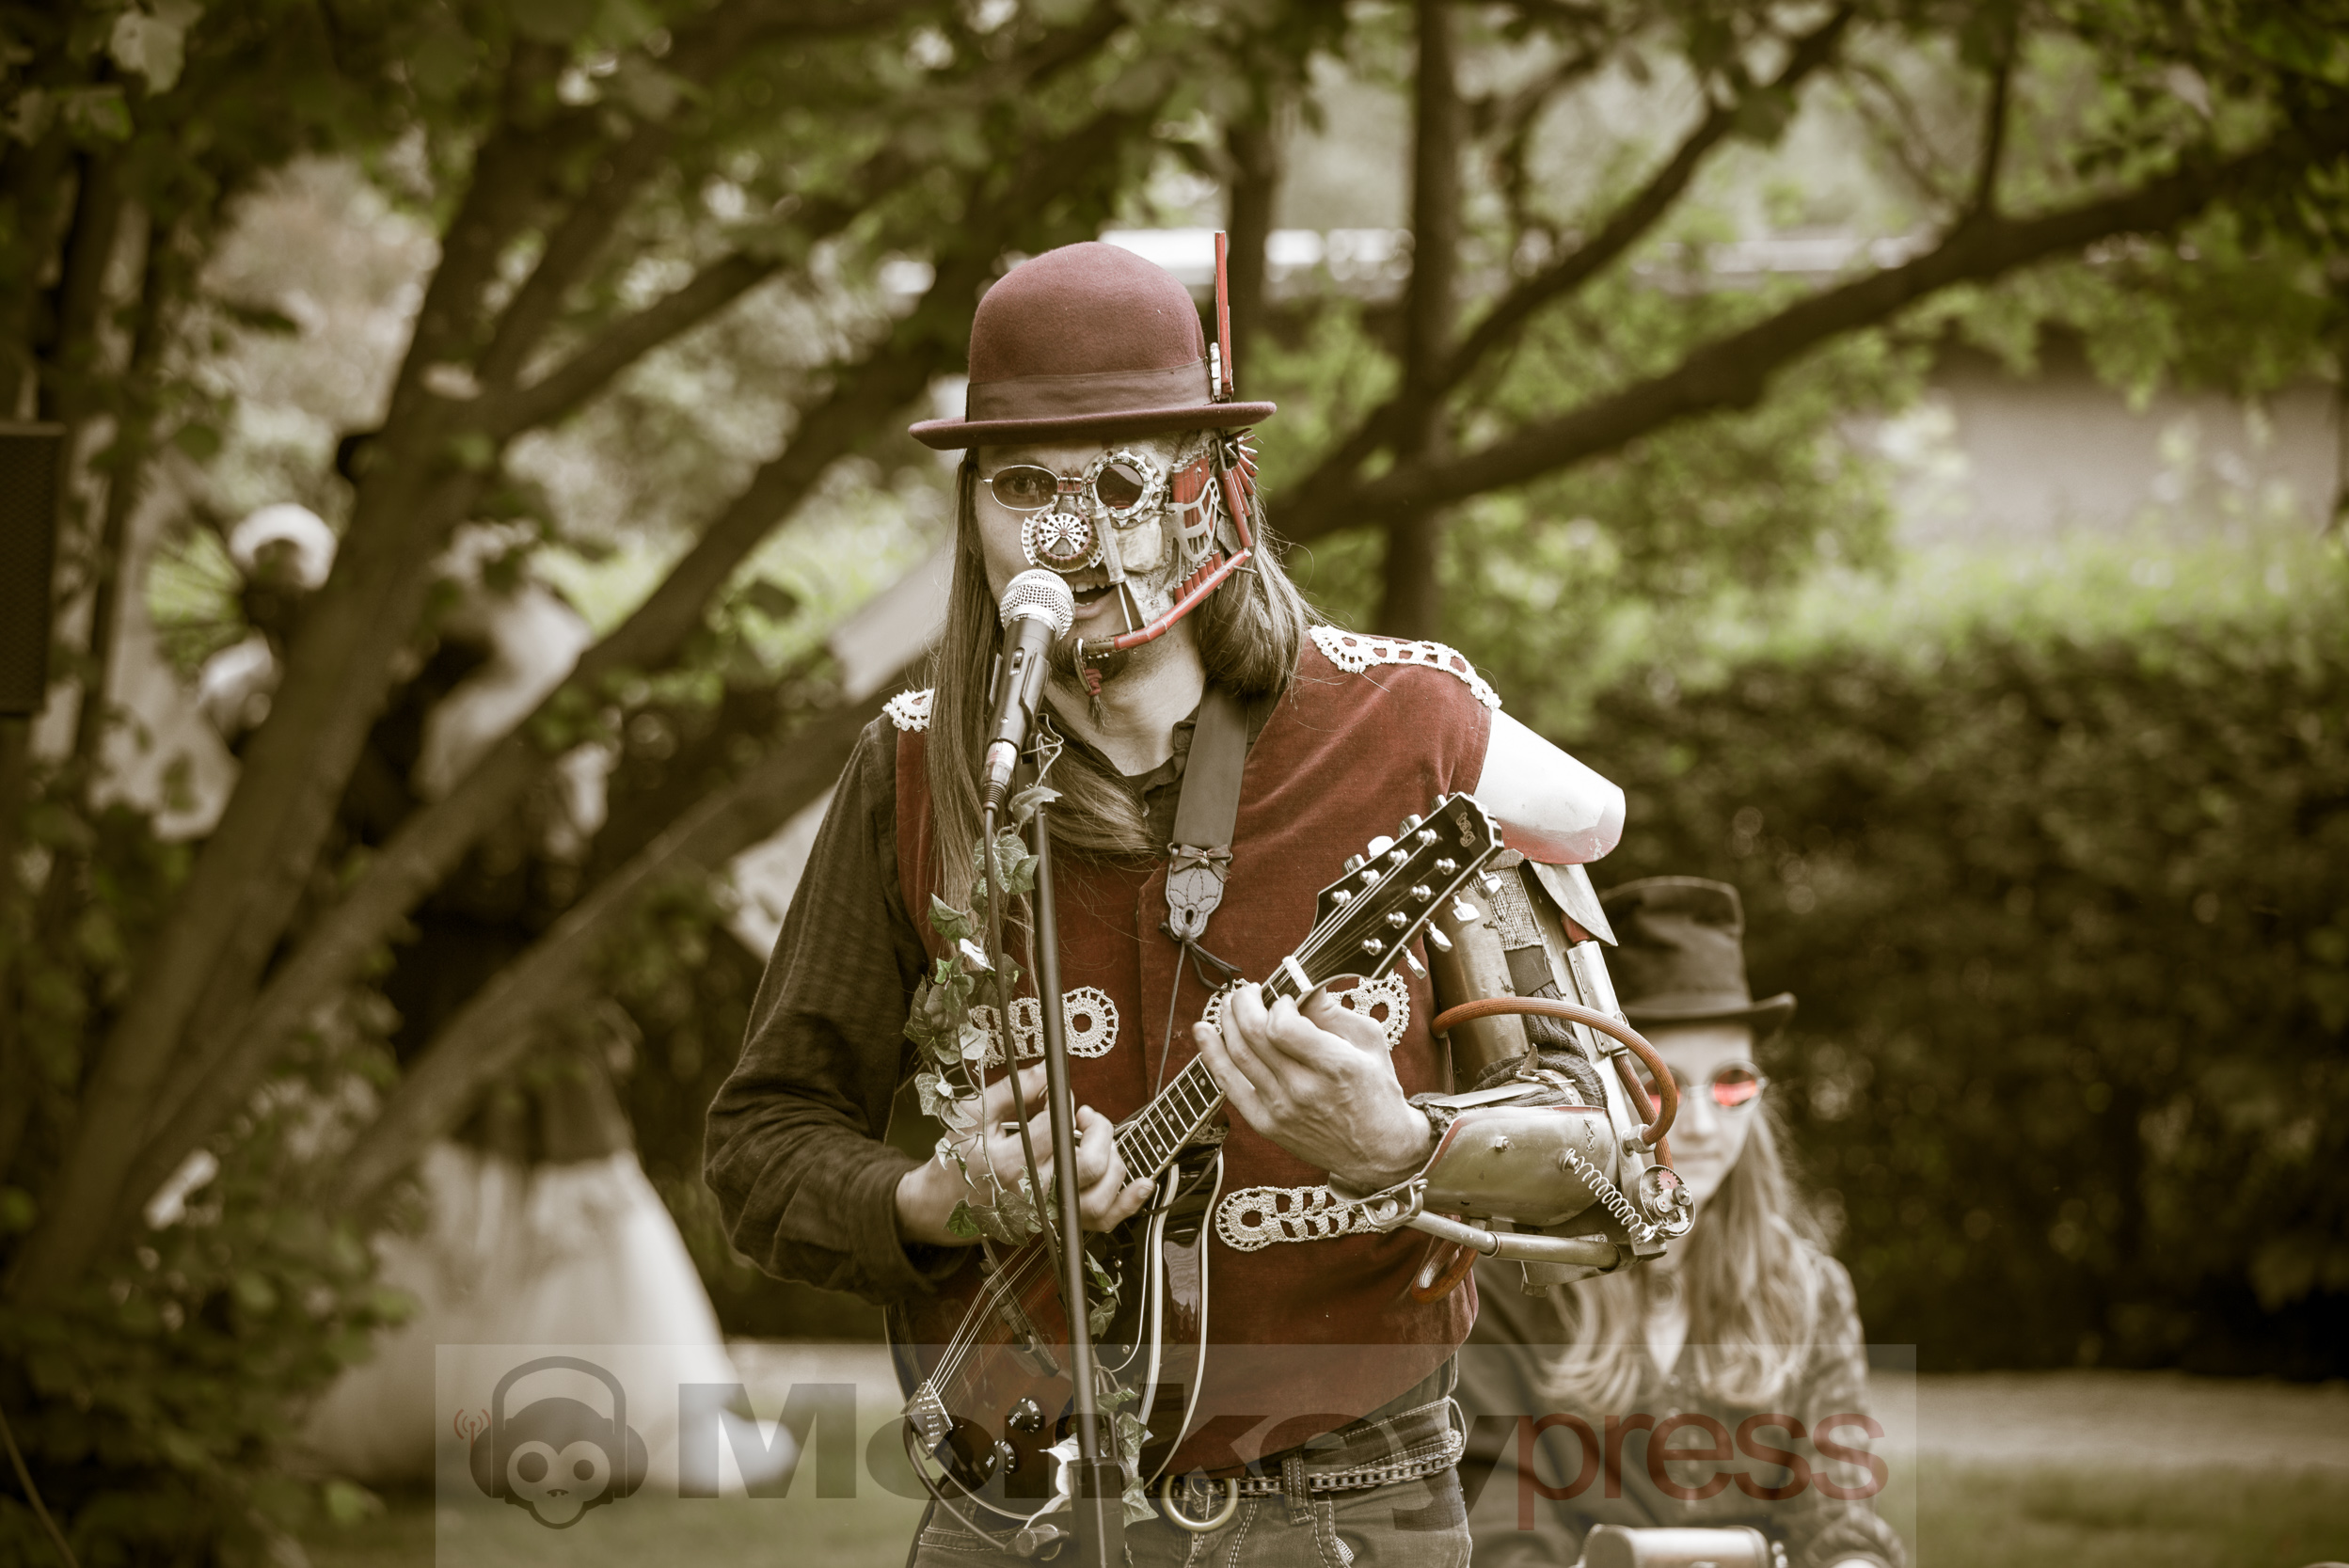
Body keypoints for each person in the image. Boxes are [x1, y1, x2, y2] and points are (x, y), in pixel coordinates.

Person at [704, 240, 1629, 1566]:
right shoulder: (911, 766)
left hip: (1346, 1507)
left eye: (1124, 479)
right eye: (1025, 485)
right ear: (971, 512)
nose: (1072, 530)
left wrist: (1400, 1141)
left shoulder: (1414, 728)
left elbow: (1619, 1163)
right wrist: (938, 1195)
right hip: (1006, 1503)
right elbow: (760, 1143)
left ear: (1215, 485)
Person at [1457, 877, 1908, 1568]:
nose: (1698, 1124)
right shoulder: (1511, 1277)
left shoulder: (1812, 1289)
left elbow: (1841, 1516)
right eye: (1657, 1082)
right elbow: (1503, 1531)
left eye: (1732, 1083)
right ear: (1600, 1088)